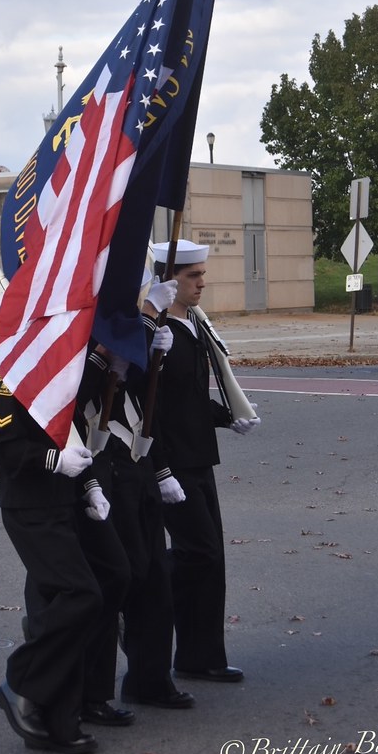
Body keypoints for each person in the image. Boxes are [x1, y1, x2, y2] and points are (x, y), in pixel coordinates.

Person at [81, 275, 195, 710]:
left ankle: (150, 677)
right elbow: (80, 394)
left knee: (154, 580)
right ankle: (94, 693)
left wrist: (161, 469)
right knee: (114, 580)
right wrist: (146, 322)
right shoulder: (82, 324)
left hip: (136, 464)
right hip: (99, 468)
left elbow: (144, 405)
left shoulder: (121, 320)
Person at [150, 239, 260, 683]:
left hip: (197, 456)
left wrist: (227, 415)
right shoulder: (154, 330)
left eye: (202, 274)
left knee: (211, 561)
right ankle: (137, 597)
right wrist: (159, 470)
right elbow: (148, 408)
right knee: (198, 553)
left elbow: (191, 398)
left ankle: (200, 656)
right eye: (193, 275)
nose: (202, 283)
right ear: (168, 278)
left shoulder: (194, 323)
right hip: (168, 463)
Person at [0, 370, 104, 754]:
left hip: (60, 500)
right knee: (81, 595)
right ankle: (21, 682)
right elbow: (4, 446)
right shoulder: (11, 375)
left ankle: (58, 719)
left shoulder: (56, 367)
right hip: (29, 504)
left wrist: (89, 485)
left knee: (56, 607)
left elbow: (72, 430)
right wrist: (53, 460)